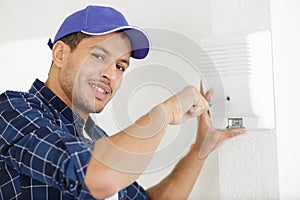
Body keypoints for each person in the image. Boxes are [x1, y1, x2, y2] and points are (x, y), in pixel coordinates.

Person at [0, 5, 244, 200]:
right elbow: (97, 177)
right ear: (61, 54)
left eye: (120, 66)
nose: (111, 75)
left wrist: (200, 148)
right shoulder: (11, 110)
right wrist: (164, 112)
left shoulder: (95, 137)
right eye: (98, 56)